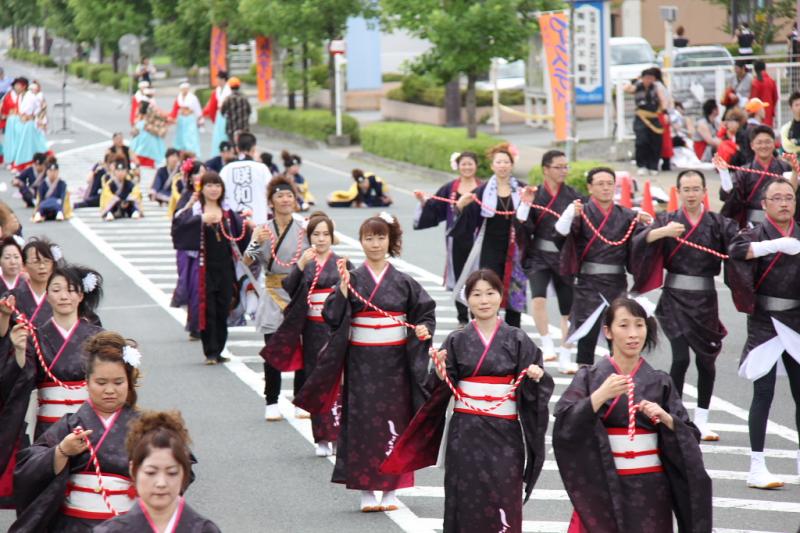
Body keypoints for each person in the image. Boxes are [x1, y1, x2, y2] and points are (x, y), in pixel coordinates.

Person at [383, 269, 552, 532]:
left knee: (504, 492)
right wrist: (440, 374)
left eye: (490, 293)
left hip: (505, 431)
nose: (484, 300)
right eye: (476, 294)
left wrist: (536, 376)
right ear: (467, 300)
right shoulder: (457, 340)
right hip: (466, 431)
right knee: (465, 494)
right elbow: (436, 389)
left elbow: (536, 385)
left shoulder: (518, 339)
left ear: (500, 296)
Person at [294, 213, 435, 512]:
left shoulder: (403, 281)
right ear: (360, 242)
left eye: (381, 237)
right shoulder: (354, 278)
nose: (375, 243)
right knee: (362, 424)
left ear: (390, 240)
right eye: (369, 238)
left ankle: (391, 489)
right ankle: (366, 490)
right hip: (361, 363)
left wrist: (423, 329)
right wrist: (343, 291)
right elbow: (331, 316)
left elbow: (424, 313)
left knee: (395, 422)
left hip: (396, 364)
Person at [553, 297, 712, 532]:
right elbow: (565, 426)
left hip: (651, 487)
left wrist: (667, 419)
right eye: (624, 325)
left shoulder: (660, 381)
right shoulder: (589, 377)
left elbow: (690, 437)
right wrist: (599, 396)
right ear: (608, 331)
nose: (633, 334)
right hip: (602, 483)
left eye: (639, 325)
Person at [631, 170, 739, 440]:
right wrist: (663, 232)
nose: (691, 194)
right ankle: (675, 415)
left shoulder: (717, 223)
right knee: (680, 358)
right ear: (678, 192)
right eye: (686, 189)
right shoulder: (667, 220)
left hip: (705, 300)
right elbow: (638, 241)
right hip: (674, 300)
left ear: (704, 192)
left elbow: (739, 245)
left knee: (706, 361)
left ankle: (702, 419)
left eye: (695, 189)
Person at [10, 332, 141, 531]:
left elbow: (179, 465)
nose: (110, 390)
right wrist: (61, 451)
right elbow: (26, 467)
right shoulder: (70, 426)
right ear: (86, 382)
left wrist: (147, 470)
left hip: (127, 524)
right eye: (101, 382)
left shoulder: (144, 428)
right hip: (74, 525)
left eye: (118, 382)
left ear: (129, 382)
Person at [0, 265, 104, 504]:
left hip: (89, 422)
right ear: (47, 296)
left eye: (70, 290)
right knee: (47, 493)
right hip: (48, 426)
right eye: (56, 290)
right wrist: (18, 351)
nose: (64, 296)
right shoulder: (34, 336)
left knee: (86, 490)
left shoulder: (98, 336)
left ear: (81, 295)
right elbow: (15, 383)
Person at [726, 177, 800, 489]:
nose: (784, 203)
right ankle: (756, 466)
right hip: (764, 322)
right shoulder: (753, 234)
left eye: (789, 197)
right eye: (777, 198)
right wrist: (776, 245)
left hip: (796, 320)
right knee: (764, 392)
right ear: (764, 204)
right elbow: (735, 251)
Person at [263, 212, 351, 456]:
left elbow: (355, 294)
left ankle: (338, 436)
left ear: (332, 237)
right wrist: (300, 265)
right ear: (309, 236)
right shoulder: (306, 261)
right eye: (316, 234)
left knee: (339, 382)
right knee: (316, 381)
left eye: (326, 234)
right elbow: (289, 288)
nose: (321, 239)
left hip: (335, 328)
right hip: (313, 329)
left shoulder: (341, 262)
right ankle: (321, 437)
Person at [554, 167, 650, 367]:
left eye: (609, 184)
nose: (606, 188)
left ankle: (621, 379)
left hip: (616, 283)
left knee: (619, 334)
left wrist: (648, 225)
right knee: (586, 336)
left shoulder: (627, 215)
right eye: (600, 184)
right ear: (590, 187)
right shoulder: (581, 212)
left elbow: (640, 243)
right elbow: (560, 237)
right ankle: (583, 379)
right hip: (588, 284)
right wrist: (569, 215)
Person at [243, 177, 308, 419]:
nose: (285, 200)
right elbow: (247, 260)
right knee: (273, 348)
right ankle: (271, 401)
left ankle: (300, 401)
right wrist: (255, 242)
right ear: (271, 201)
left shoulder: (304, 228)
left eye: (289, 195)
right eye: (280, 196)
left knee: (304, 348)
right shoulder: (263, 230)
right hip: (273, 293)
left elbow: (324, 247)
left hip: (299, 292)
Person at [93, 410, 218, 532]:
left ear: (185, 472)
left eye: (172, 473)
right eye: (151, 472)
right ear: (133, 470)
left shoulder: (204, 530)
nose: (161, 483)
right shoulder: (112, 530)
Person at [172, 171, 250, 364]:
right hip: (204, 269)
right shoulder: (196, 211)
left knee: (223, 308)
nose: (214, 189)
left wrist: (250, 225)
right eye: (209, 185)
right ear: (202, 188)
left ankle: (219, 349)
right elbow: (178, 225)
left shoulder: (228, 212)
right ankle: (210, 352)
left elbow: (242, 234)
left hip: (226, 268)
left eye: (217, 185)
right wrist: (201, 220)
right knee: (208, 310)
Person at [516, 150, 581, 372]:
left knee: (567, 309)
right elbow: (523, 226)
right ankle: (546, 344)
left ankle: (566, 354)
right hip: (539, 255)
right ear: (545, 169)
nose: (563, 171)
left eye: (566, 166)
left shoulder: (573, 196)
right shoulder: (535, 194)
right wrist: (525, 205)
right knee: (538, 300)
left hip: (564, 257)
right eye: (558, 167)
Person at [452, 143, 527, 328]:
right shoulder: (483, 191)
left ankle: (513, 329)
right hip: (490, 246)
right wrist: (460, 206)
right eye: (498, 162)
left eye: (506, 162)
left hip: (515, 247)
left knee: (515, 287)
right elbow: (468, 219)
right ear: (493, 166)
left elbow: (534, 216)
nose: (502, 166)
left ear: (512, 165)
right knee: (487, 285)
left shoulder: (522, 190)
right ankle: (485, 325)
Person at [413, 152, 481, 327]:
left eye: (470, 163)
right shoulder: (450, 188)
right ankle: (462, 317)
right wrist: (423, 201)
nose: (467, 167)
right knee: (459, 278)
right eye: (463, 164)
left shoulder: (484, 188)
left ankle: (477, 315)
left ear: (476, 166)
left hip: (478, 239)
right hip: (455, 239)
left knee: (478, 277)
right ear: (458, 166)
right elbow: (435, 207)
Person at [718, 125, 797, 228]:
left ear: (774, 143)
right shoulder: (744, 172)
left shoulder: (785, 167)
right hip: (751, 225)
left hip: (782, 222)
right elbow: (727, 195)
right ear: (752, 145)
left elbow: (793, 193)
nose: (763, 146)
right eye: (759, 142)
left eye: (768, 142)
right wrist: (724, 173)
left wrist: (795, 171)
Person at [623, 68, 668, 176]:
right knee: (641, 141)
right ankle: (641, 165)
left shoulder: (657, 87)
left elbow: (663, 100)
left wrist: (665, 113)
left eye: (651, 78)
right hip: (641, 117)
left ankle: (653, 166)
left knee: (655, 142)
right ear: (642, 78)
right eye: (646, 78)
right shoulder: (637, 86)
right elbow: (626, 88)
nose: (649, 80)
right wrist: (636, 79)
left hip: (654, 116)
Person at [220, 132, 271, 224]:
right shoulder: (262, 168)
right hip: (259, 222)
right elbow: (271, 192)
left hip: (233, 224)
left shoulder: (226, 169)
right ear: (254, 148)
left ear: (236, 148)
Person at [13, 238, 58, 327]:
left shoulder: (62, 297)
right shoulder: (13, 296)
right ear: (24, 265)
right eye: (36, 261)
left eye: (46, 261)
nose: (42, 266)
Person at [130, 99, 167, 169]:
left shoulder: (141, 124)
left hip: (142, 155)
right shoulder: (153, 124)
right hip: (155, 157)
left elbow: (134, 142)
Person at [170, 82, 203, 158]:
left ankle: (192, 153)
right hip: (181, 120)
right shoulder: (179, 97)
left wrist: (199, 119)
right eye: (182, 89)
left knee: (190, 137)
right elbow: (175, 109)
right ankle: (181, 153)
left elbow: (197, 109)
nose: (184, 90)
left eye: (185, 89)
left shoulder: (193, 98)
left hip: (189, 119)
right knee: (180, 137)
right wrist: (173, 118)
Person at [329, 169, 393, 208]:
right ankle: (332, 197)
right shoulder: (356, 187)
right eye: (361, 184)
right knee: (350, 201)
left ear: (367, 180)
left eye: (364, 183)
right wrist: (332, 201)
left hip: (373, 198)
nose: (364, 186)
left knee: (386, 202)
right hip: (364, 199)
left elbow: (383, 193)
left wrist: (387, 197)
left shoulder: (377, 182)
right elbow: (349, 197)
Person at [203, 70, 231, 158]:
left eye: (218, 79)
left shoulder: (229, 90)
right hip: (219, 115)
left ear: (223, 79)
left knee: (224, 134)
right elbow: (211, 104)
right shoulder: (217, 90)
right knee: (217, 135)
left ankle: (227, 153)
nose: (217, 81)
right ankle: (217, 154)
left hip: (226, 115)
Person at [220, 77, 251, 143]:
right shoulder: (244, 98)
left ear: (230, 87)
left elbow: (222, 112)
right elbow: (249, 111)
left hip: (231, 128)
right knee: (244, 145)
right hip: (244, 128)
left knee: (232, 145)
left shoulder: (227, 99)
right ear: (239, 86)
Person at [749, 61, 777, 127]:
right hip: (769, 113)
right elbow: (776, 97)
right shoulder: (771, 81)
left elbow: (753, 100)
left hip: (758, 115)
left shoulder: (756, 82)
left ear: (755, 69)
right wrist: (772, 111)